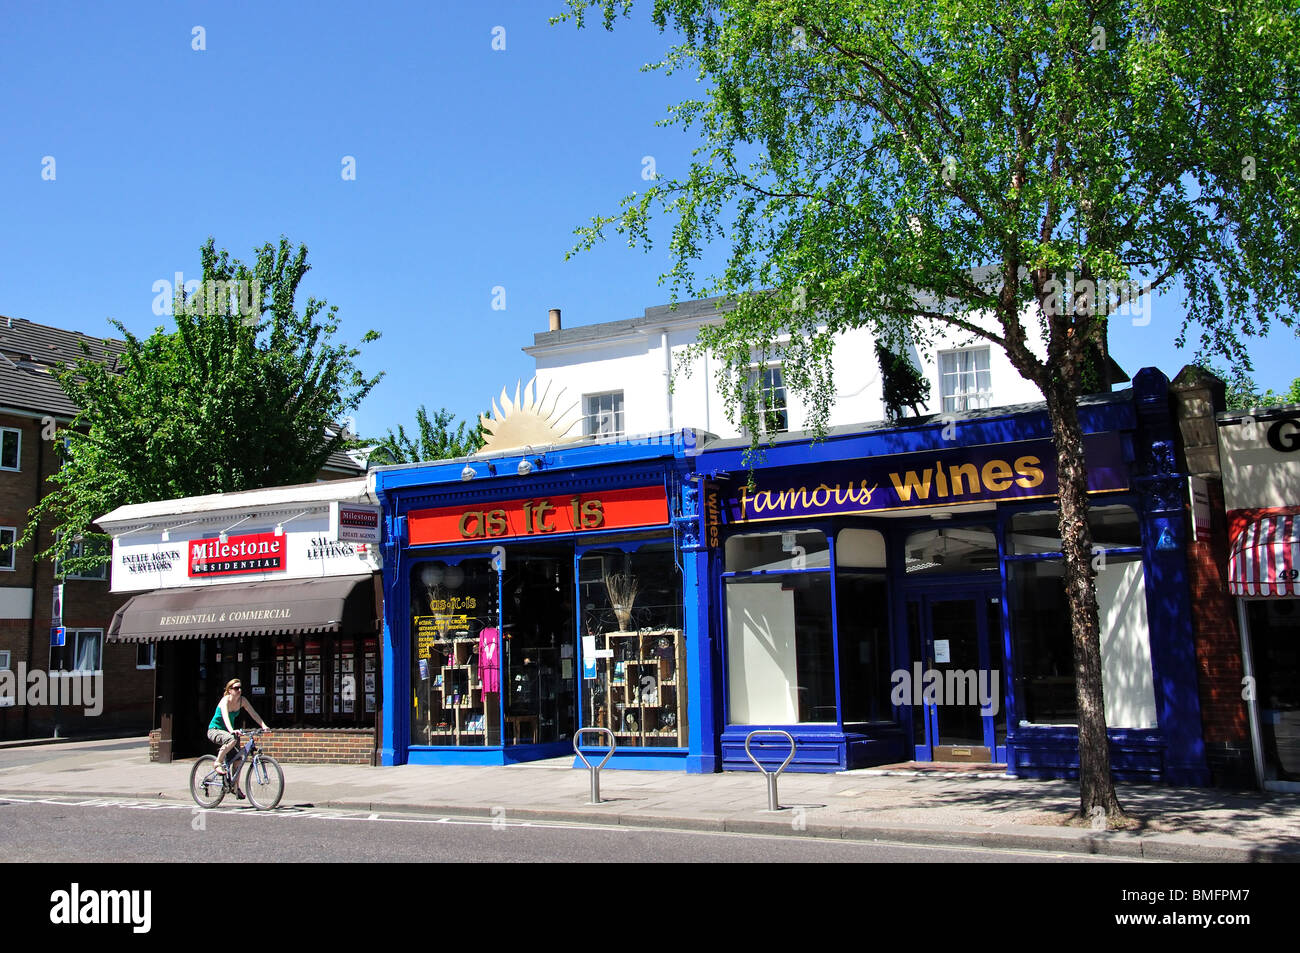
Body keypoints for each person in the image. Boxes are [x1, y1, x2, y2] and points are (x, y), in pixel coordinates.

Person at [207, 678, 270, 799]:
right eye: (236, 688)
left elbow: (254, 713)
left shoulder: (242, 701)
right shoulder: (225, 700)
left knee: (238, 760)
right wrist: (231, 730)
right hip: (215, 730)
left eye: (240, 688)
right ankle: (217, 762)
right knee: (232, 739)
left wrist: (263, 725)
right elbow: (225, 717)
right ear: (230, 690)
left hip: (229, 733)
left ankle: (235, 787)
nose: (239, 690)